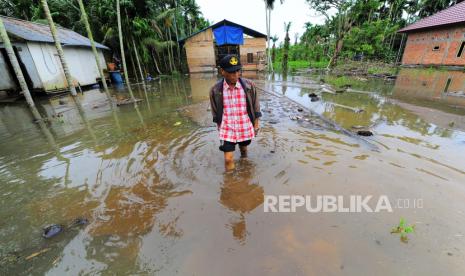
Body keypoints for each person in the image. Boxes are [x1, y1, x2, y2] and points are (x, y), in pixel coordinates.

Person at [209, 54, 261, 170]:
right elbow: (215, 111)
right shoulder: (215, 90)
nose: (235, 75)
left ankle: (244, 161)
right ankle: (231, 183)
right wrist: (220, 126)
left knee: (243, 149)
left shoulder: (249, 86)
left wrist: (256, 124)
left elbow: (256, 106)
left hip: (244, 125)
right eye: (231, 72)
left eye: (238, 71)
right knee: (228, 159)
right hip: (227, 127)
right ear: (222, 71)